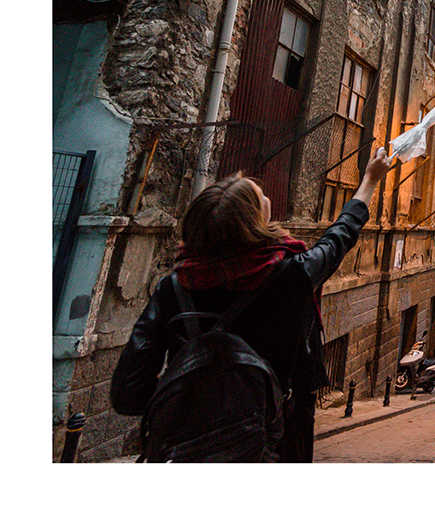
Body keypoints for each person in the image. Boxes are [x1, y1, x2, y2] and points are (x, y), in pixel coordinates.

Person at [110, 147, 395, 462]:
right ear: (255, 222)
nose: (268, 197)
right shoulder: (291, 276)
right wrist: (369, 180)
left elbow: (128, 394)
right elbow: (340, 236)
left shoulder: (175, 286)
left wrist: (196, 397)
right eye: (262, 198)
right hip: (275, 437)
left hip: (184, 447)